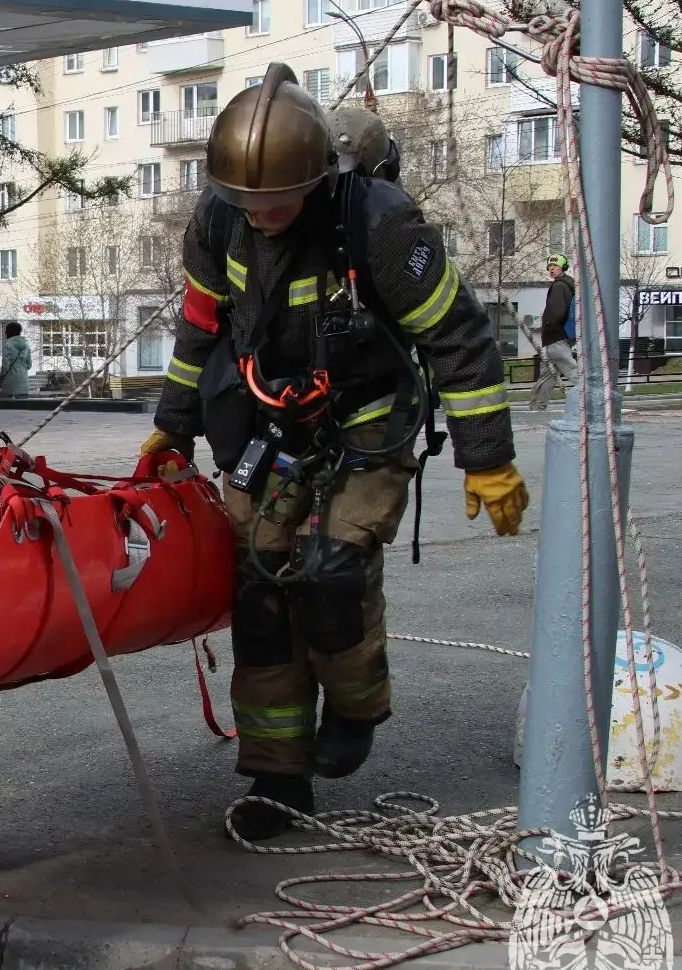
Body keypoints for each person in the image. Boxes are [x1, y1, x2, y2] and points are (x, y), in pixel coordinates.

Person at [141, 66, 529, 840]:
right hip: (264, 426)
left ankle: (355, 708)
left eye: (279, 199)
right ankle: (277, 777)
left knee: (331, 571)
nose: (262, 213)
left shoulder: (378, 223)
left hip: (366, 420)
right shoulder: (216, 224)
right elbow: (199, 328)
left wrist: (486, 455)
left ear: (319, 177)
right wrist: (173, 426)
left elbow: (459, 337)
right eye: (246, 199)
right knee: (261, 592)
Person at [530, 255, 579, 411]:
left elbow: (556, 312)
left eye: (555, 266)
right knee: (547, 376)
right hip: (558, 337)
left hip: (556, 337)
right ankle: (537, 409)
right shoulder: (569, 285)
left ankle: (595, 399)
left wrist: (548, 324)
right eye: (549, 266)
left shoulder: (559, 286)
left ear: (563, 268)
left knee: (574, 372)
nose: (551, 268)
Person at [0, 322, 32, 397]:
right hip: (24, 385)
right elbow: (29, 365)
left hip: (9, 386)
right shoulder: (27, 345)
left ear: (8, 332)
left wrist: (1, 378)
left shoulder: (8, 345)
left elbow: (5, 366)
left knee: (6, 404)